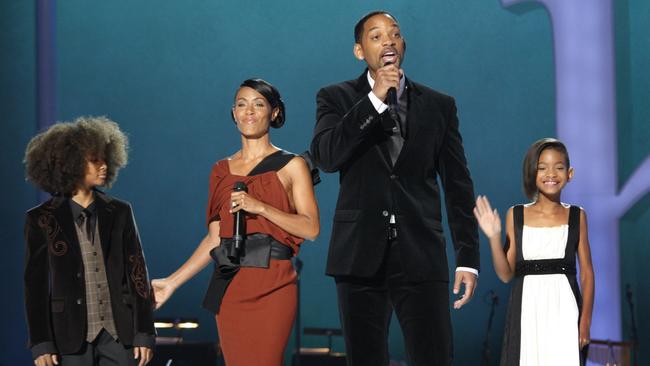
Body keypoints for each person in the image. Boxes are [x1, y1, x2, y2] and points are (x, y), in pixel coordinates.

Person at [310, 11, 480, 365]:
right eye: (376, 36)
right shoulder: (335, 98)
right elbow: (326, 157)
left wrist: (468, 257)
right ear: (360, 51)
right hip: (359, 255)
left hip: (420, 252)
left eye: (394, 34)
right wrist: (373, 100)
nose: (388, 41)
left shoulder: (439, 105)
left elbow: (458, 184)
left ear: (402, 44)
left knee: (434, 356)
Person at [152, 78, 320, 365]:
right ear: (233, 113)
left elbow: (311, 228)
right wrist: (171, 282)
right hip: (231, 284)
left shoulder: (292, 165)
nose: (249, 112)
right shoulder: (220, 170)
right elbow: (215, 238)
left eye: (258, 104)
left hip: (273, 281)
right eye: (241, 105)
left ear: (275, 112)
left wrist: (261, 207)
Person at [23, 116, 155, 366]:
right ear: (69, 163)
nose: (103, 165)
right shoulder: (40, 219)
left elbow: (138, 274)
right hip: (68, 337)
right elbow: (35, 286)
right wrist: (41, 343)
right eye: (95, 160)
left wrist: (145, 333)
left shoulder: (119, 211)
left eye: (105, 158)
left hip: (120, 336)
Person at [473, 138, 595, 365]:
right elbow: (506, 274)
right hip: (527, 309)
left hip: (565, 310)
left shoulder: (578, 216)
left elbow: (587, 274)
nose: (551, 173)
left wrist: (585, 320)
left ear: (570, 173)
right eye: (542, 168)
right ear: (532, 173)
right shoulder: (516, 214)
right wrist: (493, 237)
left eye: (558, 167)